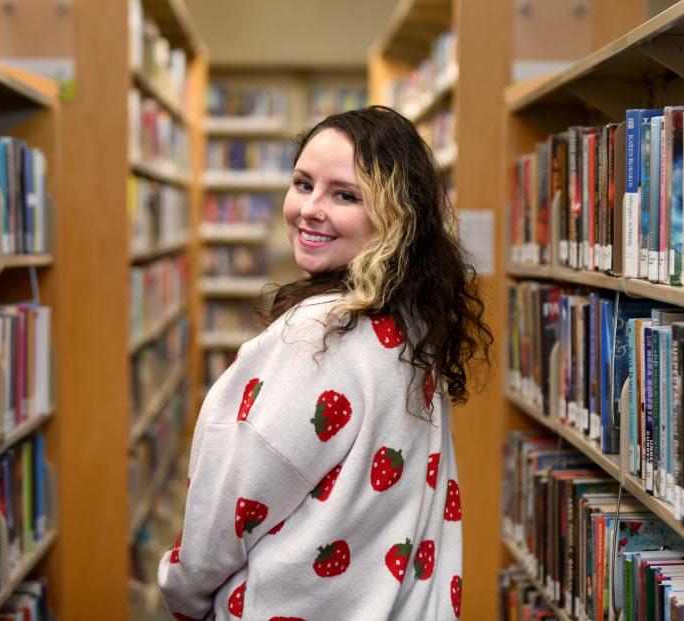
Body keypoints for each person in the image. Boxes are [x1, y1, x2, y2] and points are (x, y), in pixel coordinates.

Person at [158, 105, 491, 620]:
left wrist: (180, 590)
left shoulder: (318, 335)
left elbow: (230, 504)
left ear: (396, 217)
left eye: (345, 195)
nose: (310, 208)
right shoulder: (413, 324)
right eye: (303, 183)